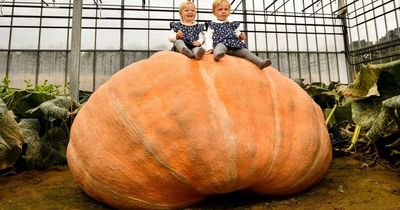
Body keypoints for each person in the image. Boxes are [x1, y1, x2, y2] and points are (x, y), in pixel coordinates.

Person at [205, 0, 272, 69]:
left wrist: (241, 36)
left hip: (234, 46)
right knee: (220, 46)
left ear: (229, 11)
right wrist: (210, 48)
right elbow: (208, 38)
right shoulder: (212, 24)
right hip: (222, 44)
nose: (223, 11)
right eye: (220, 9)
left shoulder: (232, 24)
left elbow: (237, 33)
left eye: (226, 9)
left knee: (246, 52)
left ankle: (260, 63)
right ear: (214, 12)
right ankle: (217, 54)